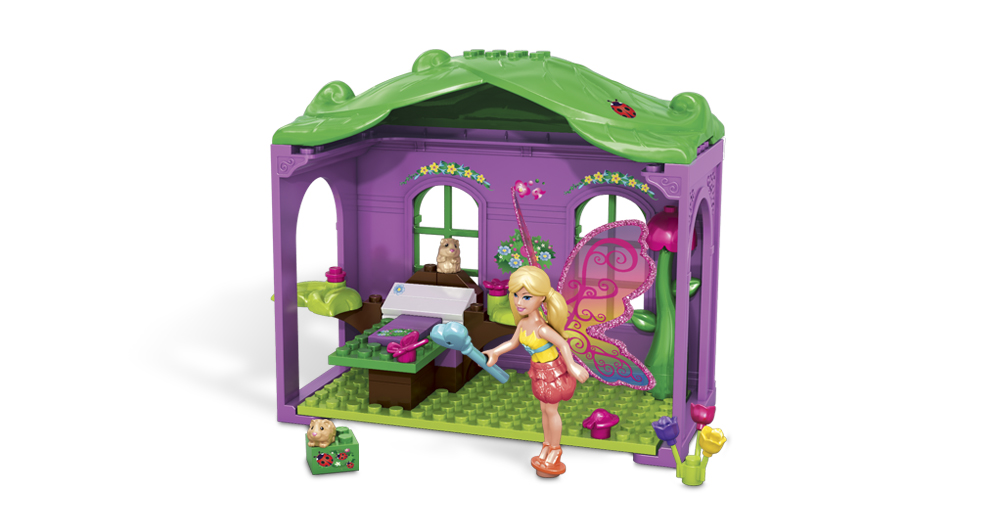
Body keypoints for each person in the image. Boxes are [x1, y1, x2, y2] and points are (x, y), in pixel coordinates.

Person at [484, 265, 589, 477]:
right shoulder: (523, 324)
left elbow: (563, 344)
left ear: (541, 298)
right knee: (544, 410)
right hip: (538, 371)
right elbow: (513, 343)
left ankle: (555, 450)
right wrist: (495, 352)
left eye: (526, 297)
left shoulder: (542, 328)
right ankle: (547, 445)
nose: (518, 302)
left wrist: (572, 366)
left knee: (551, 411)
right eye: (516, 295)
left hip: (553, 372)